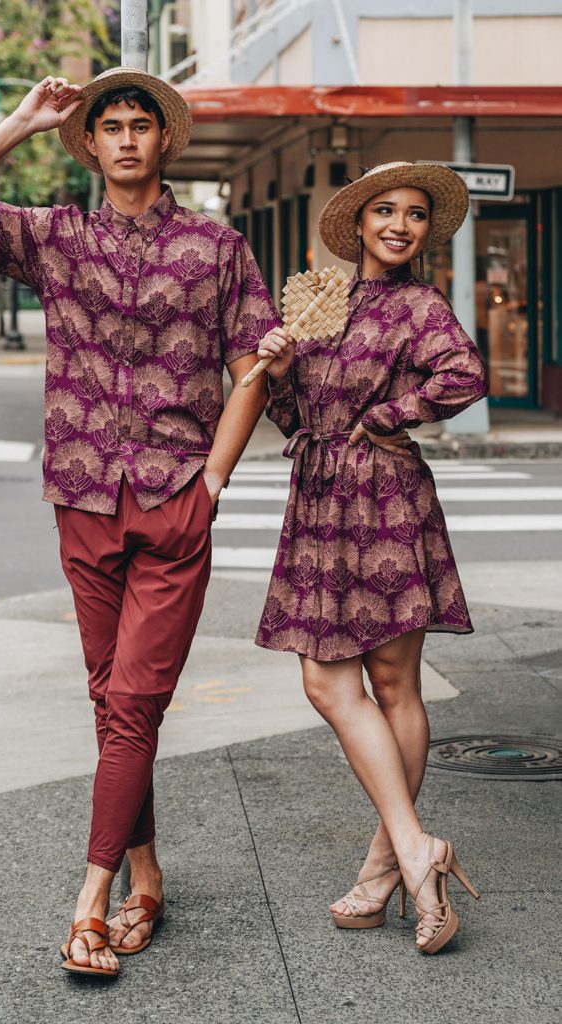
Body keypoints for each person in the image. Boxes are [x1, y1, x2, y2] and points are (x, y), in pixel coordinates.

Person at [0, 67, 281, 977]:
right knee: (114, 705)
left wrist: (215, 481)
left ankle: (90, 902)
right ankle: (146, 871)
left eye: (137, 126)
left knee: (131, 704)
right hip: (82, 497)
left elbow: (252, 368)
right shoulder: (53, 238)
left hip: (172, 499)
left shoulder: (216, 245)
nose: (122, 137)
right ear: (90, 142)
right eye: (107, 125)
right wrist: (23, 121)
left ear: (164, 142)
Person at [254, 162, 487, 955]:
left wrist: (390, 413)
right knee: (327, 682)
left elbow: (465, 374)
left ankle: (390, 864)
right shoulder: (321, 300)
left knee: (391, 684)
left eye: (415, 215)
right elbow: (294, 414)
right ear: (357, 224)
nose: (398, 224)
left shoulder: (420, 305)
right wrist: (282, 377)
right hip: (318, 500)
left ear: (426, 232)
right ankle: (416, 849)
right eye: (383, 210)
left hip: (385, 498)